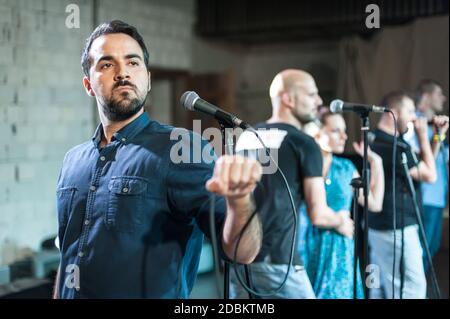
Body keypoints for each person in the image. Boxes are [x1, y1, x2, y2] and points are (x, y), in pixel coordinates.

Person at [53, 20, 263, 299]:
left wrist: (241, 201)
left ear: (148, 79)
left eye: (133, 63)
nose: (122, 73)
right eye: (106, 64)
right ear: (88, 84)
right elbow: (68, 251)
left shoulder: (183, 148)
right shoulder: (72, 160)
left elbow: (243, 252)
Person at [230, 69, 354, 299]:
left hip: (240, 258)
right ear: (288, 99)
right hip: (278, 261)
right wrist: (342, 221)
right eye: (311, 95)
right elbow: (319, 214)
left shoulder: (247, 136)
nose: (318, 102)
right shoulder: (304, 143)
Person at [300, 111, 384, 299]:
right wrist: (339, 221)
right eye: (336, 131)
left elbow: (375, 203)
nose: (344, 136)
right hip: (306, 243)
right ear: (317, 133)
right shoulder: (303, 164)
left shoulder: (345, 168)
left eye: (344, 131)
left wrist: (376, 163)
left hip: (339, 250)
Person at [368, 91, 437, 299]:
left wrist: (437, 137)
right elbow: (430, 175)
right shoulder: (393, 147)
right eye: (410, 111)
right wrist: (424, 136)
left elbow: (423, 166)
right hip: (396, 228)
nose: (414, 116)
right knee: (410, 288)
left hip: (381, 227)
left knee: (380, 287)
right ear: (393, 113)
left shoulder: (375, 139)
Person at [404, 80, 449, 271]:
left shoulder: (437, 126)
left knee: (432, 246)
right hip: (424, 197)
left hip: (438, 197)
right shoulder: (414, 124)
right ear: (426, 96)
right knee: (420, 252)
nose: (444, 98)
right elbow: (422, 160)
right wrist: (437, 136)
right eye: (439, 93)